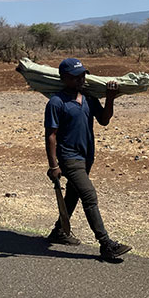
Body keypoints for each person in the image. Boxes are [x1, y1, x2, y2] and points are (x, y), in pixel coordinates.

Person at [44, 58, 131, 262]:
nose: (81, 79)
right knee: (89, 195)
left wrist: (110, 98)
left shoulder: (89, 98)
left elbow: (104, 120)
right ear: (64, 78)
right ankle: (106, 244)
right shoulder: (57, 102)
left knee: (73, 195)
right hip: (68, 157)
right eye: (76, 76)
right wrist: (53, 165)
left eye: (83, 74)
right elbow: (51, 136)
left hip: (86, 156)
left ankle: (59, 232)